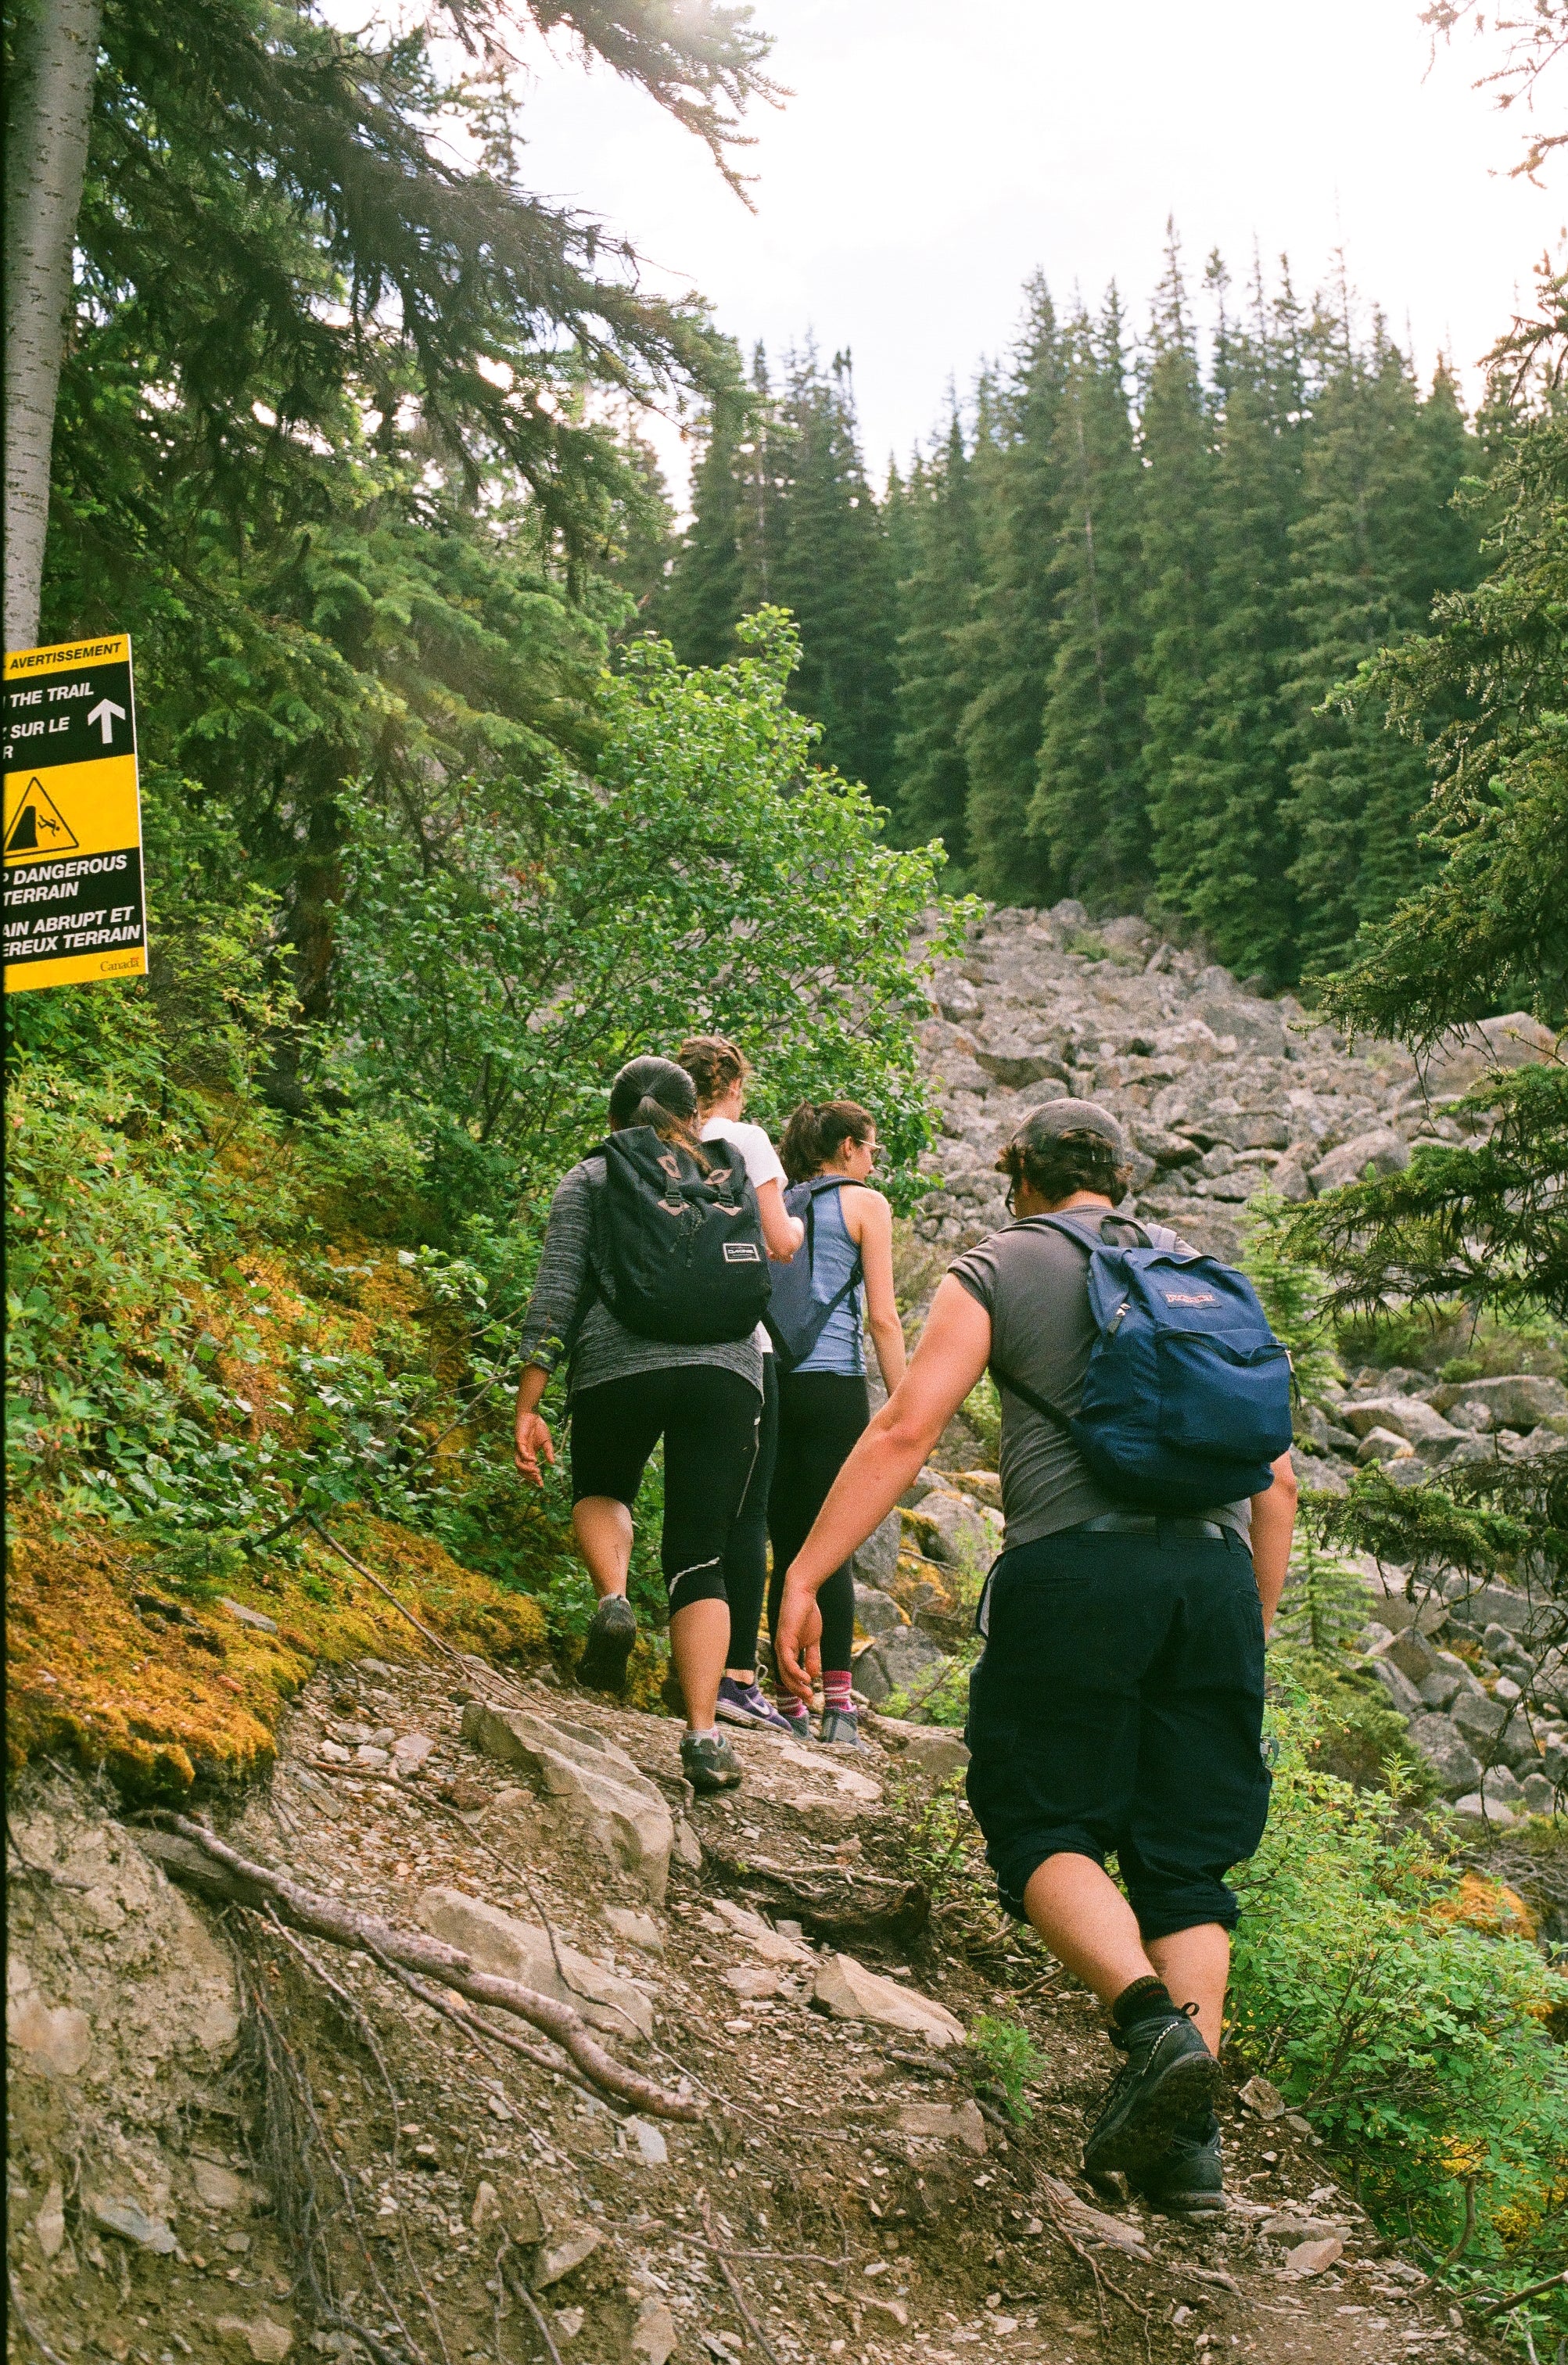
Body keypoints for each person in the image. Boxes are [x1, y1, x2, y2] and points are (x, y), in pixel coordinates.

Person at [773, 1100, 1297, 2211]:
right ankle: (1188, 2150)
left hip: (1075, 1576)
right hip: (1209, 1583)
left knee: (1038, 1817)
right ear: (1119, 1173)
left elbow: (906, 1427)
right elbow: (1277, 1483)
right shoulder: (1195, 1270)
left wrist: (807, 1572)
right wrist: (1243, 1624)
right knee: (1186, 1862)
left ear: (1018, 1176)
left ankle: (1153, 2032)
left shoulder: (997, 1265)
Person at [512, 1056, 769, 1796]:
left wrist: (528, 1404)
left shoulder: (590, 1178)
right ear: (694, 1116)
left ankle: (614, 1600)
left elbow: (556, 1293)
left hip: (618, 1363)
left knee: (602, 1488)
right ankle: (703, 1736)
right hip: (727, 1372)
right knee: (701, 1554)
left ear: (613, 1120)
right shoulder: (730, 1176)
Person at [676, 1035, 806, 1736]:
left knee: (692, 1507)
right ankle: (735, 1676)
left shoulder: (659, 1137)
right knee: (747, 1511)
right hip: (739, 1345)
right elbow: (780, 1240)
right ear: (731, 1083)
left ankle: (686, 1663)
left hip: (665, 1339)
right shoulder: (746, 1138)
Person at [767, 1100, 907, 1748]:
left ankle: (786, 1701)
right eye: (871, 1145)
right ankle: (838, 1706)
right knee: (831, 1544)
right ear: (847, 1146)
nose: (874, 1157)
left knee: (785, 1544)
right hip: (832, 1387)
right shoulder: (866, 1204)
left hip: (768, 1383)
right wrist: (907, 1402)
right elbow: (882, 1315)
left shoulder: (775, 1198)